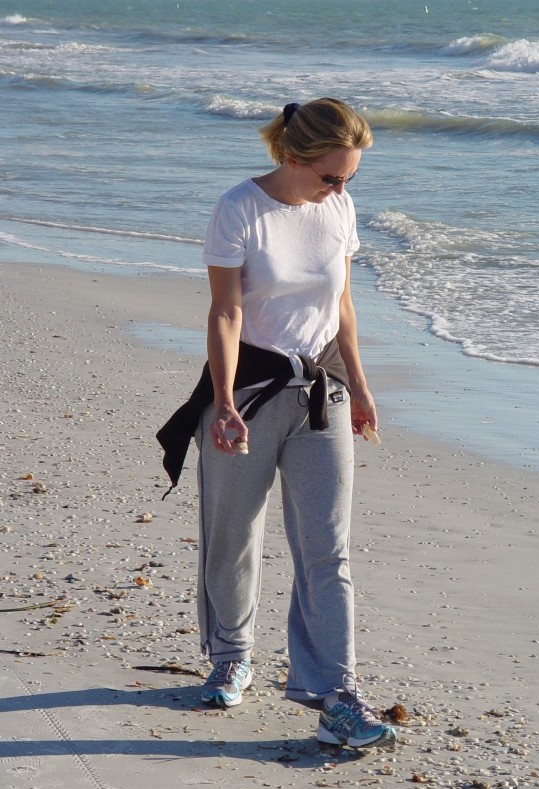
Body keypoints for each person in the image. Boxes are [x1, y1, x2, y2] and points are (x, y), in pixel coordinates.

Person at [158, 98, 395, 749]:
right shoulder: (240, 208)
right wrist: (226, 399)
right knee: (232, 532)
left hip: (323, 393)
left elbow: (342, 304)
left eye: (349, 177)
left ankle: (335, 692)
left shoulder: (338, 209)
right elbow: (226, 313)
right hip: (251, 394)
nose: (342, 190)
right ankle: (232, 655)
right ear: (294, 156)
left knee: (327, 546)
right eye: (332, 177)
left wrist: (363, 389)